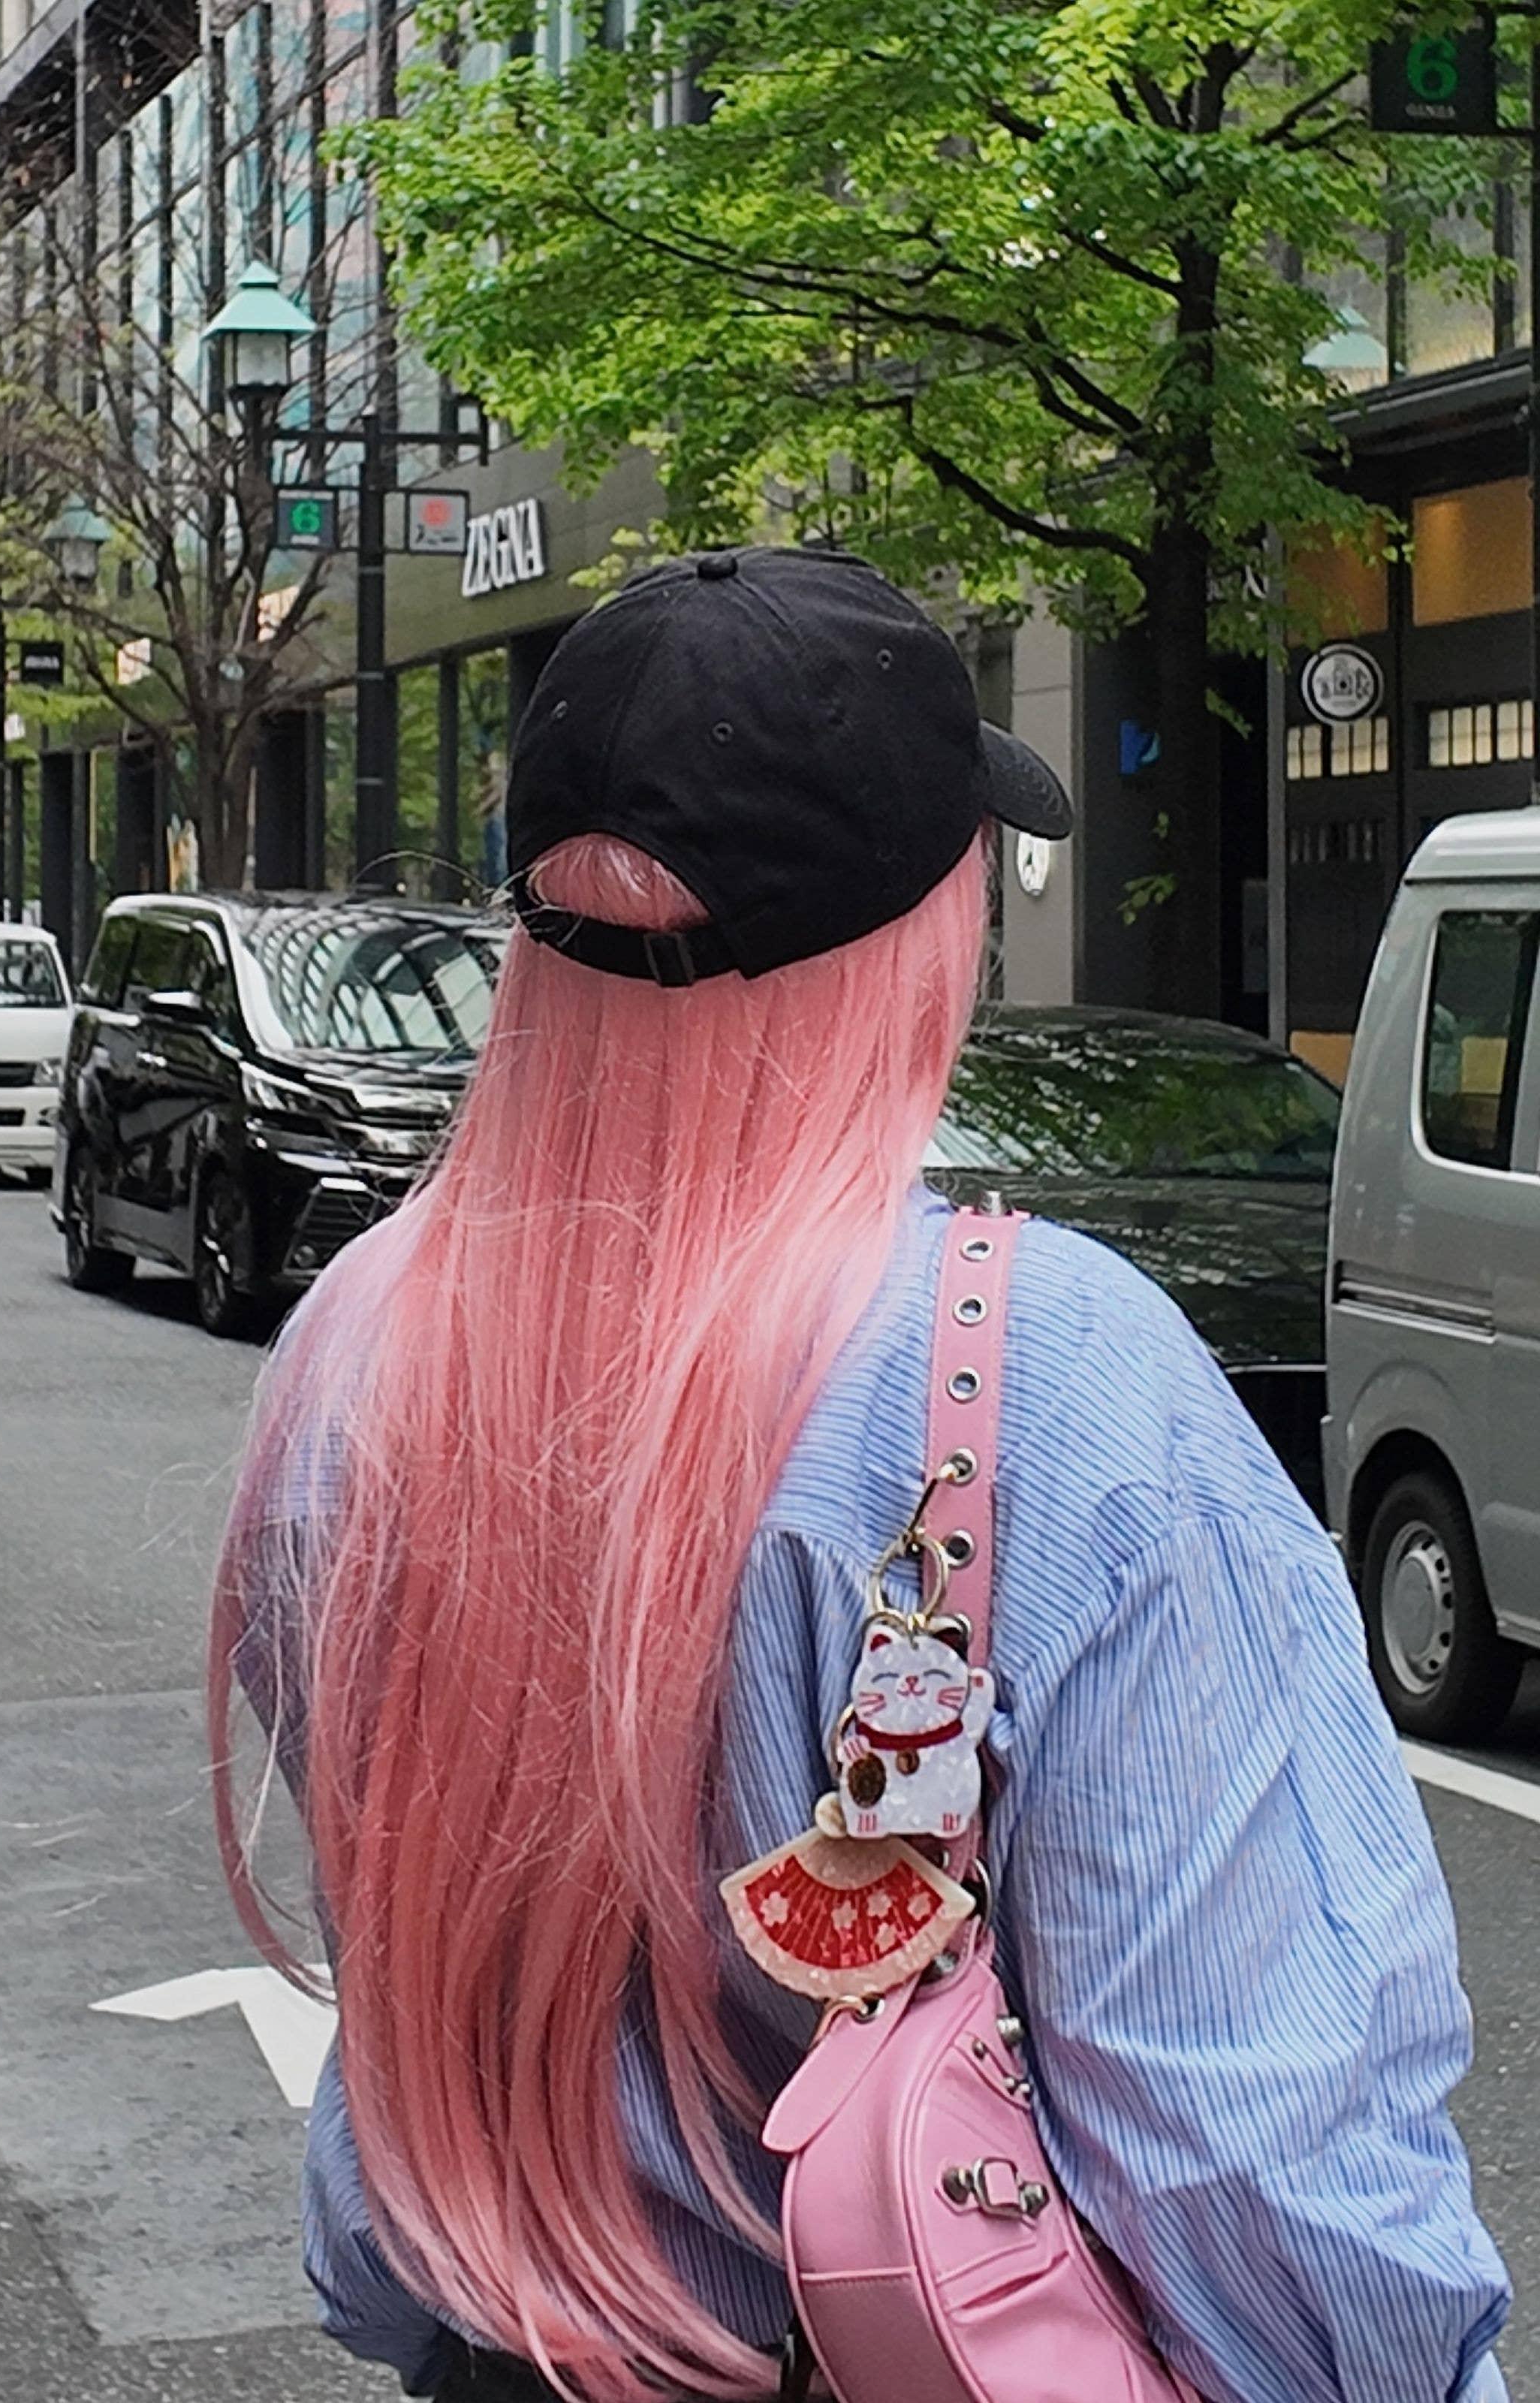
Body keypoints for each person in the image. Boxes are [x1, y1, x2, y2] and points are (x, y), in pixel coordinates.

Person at [212, 546, 1511, 2403]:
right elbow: (1255, 2151)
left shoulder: (358, 1339)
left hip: (513, 2352)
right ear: (923, 931)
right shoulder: (1047, 1374)